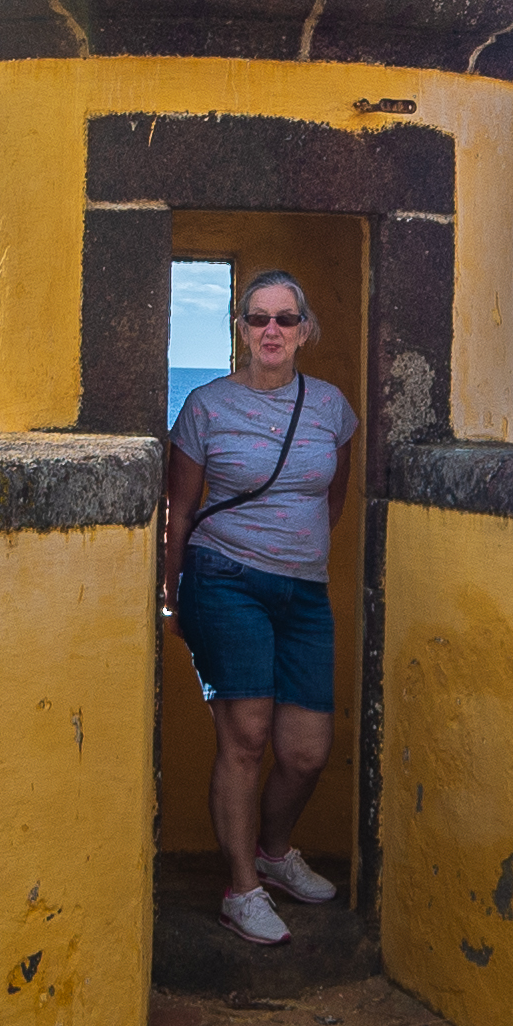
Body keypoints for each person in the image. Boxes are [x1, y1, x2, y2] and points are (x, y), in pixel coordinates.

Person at [160, 270, 361, 946]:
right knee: (245, 738)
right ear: (240, 330)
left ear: (305, 331)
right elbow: (178, 510)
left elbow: (331, 498)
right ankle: (241, 889)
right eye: (257, 318)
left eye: (284, 318)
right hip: (224, 580)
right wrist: (171, 596)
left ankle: (274, 853)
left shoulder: (331, 407)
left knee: (306, 752)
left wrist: (293, 550)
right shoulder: (206, 407)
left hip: (302, 589)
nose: (270, 330)